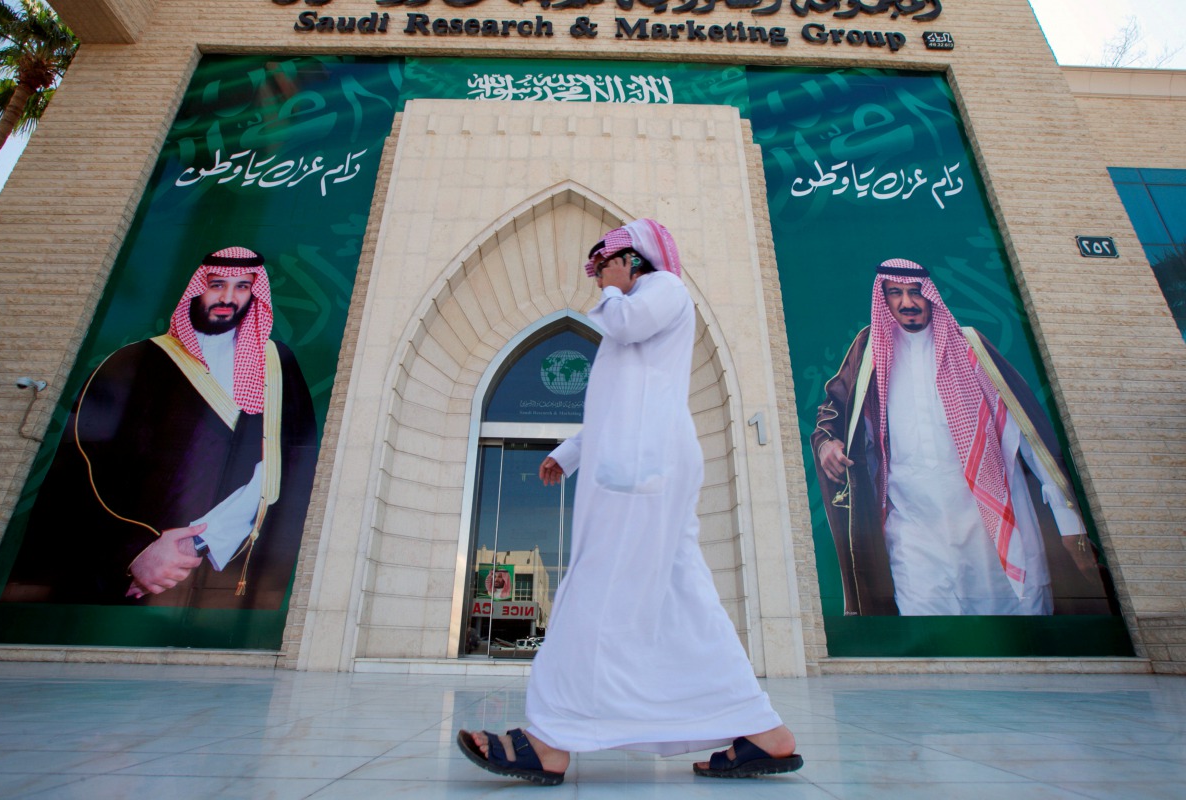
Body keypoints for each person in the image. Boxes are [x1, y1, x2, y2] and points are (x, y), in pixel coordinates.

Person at [458, 219, 802, 784]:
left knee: (594, 584)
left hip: (643, 468)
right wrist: (568, 453)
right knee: (681, 595)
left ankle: (548, 739)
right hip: (643, 460)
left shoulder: (661, 290)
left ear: (633, 257)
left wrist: (617, 288)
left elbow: (629, 326)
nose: (597, 272)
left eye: (605, 259)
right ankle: (764, 732)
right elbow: (623, 403)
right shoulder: (635, 307)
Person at [3, 246, 318, 610]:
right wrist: (137, 551)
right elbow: (83, 469)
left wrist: (197, 542)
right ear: (196, 288)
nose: (228, 299)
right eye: (217, 285)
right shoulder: (135, 360)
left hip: (232, 567)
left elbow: (292, 463)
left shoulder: (277, 365)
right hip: (129, 570)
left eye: (242, 288)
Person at [811, 258, 1108, 616]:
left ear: (931, 295)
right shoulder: (870, 350)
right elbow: (834, 408)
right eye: (896, 293)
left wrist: (1069, 520)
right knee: (926, 628)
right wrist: (827, 443)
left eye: (915, 292)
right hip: (912, 522)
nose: (907, 302)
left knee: (1015, 626)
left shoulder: (970, 347)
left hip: (989, 515)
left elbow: (1029, 436)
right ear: (884, 300)